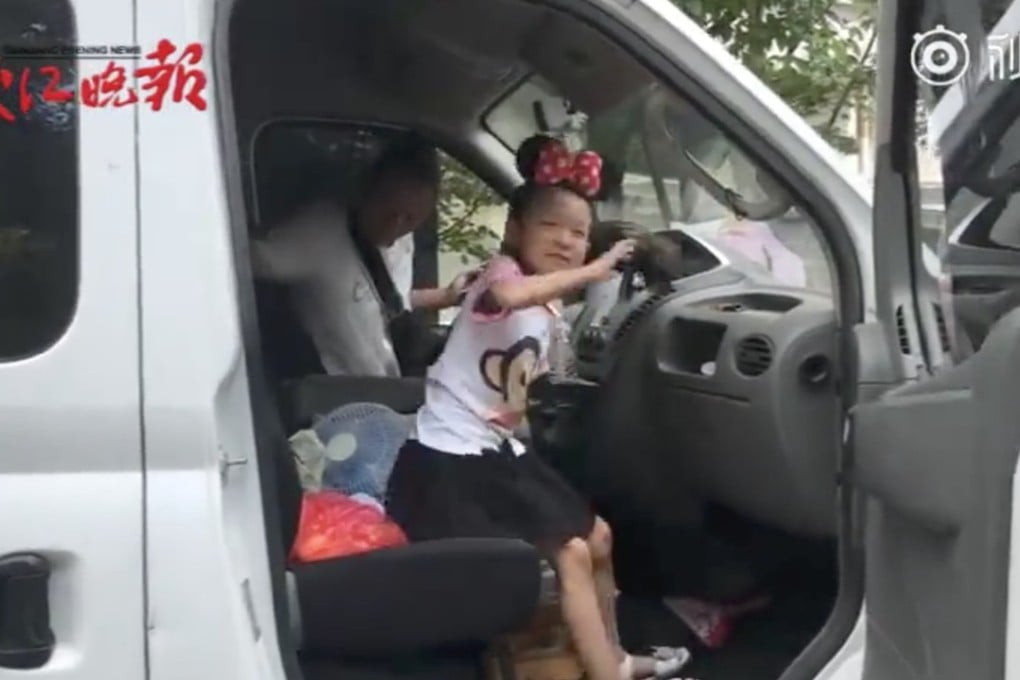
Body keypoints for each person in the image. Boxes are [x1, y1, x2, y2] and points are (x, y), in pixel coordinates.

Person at [384, 135, 694, 680]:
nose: (566, 241)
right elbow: (506, 300)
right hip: (450, 461)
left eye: (578, 233)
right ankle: (607, 672)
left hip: (495, 449)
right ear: (515, 231)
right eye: (550, 226)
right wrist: (593, 272)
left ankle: (614, 656)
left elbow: (536, 373)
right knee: (572, 555)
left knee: (599, 537)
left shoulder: (548, 298)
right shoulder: (500, 275)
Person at [251, 134, 470, 376]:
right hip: (336, 400)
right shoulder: (318, 232)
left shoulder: (403, 241)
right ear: (365, 191)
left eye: (410, 217)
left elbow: (387, 301)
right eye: (388, 209)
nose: (394, 225)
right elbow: (248, 258)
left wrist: (448, 295)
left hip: (386, 391)